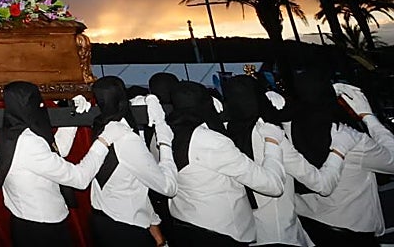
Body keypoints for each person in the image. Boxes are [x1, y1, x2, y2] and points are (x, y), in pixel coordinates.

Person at [221, 75, 352, 247]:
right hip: (280, 232)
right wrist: (339, 150)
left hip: (247, 229)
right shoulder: (269, 135)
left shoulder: (225, 133)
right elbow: (322, 185)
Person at [0, 81, 123, 247]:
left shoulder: (12, 132)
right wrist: (104, 141)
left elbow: (56, 152)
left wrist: (71, 116)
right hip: (42, 228)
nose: (42, 105)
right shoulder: (28, 142)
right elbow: (79, 179)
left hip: (29, 222)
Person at [167, 81, 285, 247]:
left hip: (184, 223)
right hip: (220, 231)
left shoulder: (165, 134)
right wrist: (272, 142)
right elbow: (273, 186)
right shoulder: (212, 141)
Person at [291, 74, 394, 246]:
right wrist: (369, 117)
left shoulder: (290, 127)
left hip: (310, 221)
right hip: (350, 229)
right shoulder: (349, 138)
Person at [87, 77, 177, 247]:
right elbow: (168, 187)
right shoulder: (126, 139)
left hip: (103, 220)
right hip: (125, 227)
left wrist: (157, 234)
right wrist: (164, 139)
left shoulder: (100, 126)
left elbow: (135, 185)